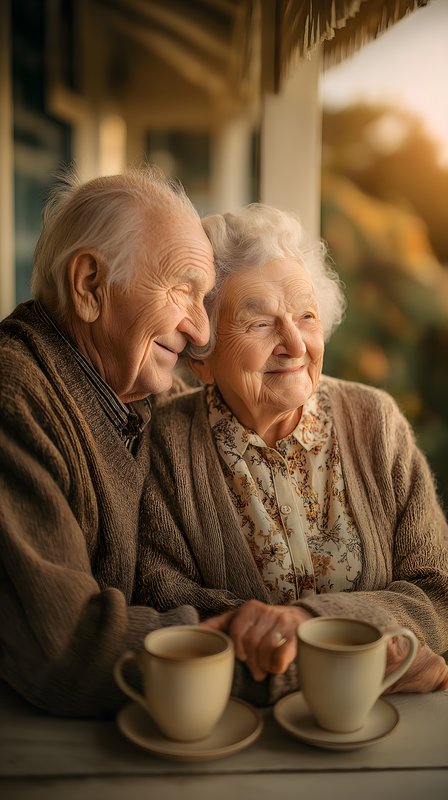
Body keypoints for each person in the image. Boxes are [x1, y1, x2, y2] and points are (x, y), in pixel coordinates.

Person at [138, 204, 448, 703]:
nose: (295, 345)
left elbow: (437, 592)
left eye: (306, 316)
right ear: (202, 359)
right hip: (242, 730)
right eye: (260, 323)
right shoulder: (167, 447)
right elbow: (171, 613)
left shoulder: (376, 422)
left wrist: (305, 622)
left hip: (391, 722)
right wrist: (366, 655)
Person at [0, 165, 216, 717]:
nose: (201, 332)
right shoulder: (15, 398)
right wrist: (262, 656)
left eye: (206, 299)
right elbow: (68, 649)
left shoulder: (141, 391)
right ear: (90, 285)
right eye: (181, 290)